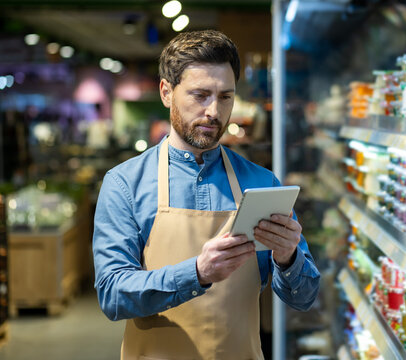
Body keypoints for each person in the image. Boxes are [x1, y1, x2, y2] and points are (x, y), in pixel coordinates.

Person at [93, 30, 320, 360]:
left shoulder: (262, 183)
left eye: (225, 97)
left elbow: (305, 296)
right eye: (200, 95)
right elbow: (113, 296)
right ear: (166, 92)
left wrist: (287, 258)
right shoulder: (125, 184)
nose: (214, 111)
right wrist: (197, 273)